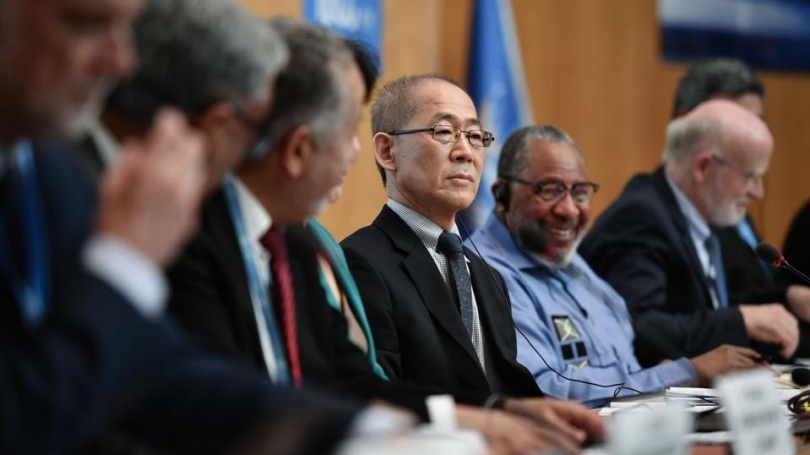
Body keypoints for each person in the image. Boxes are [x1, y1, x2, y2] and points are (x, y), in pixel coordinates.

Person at [166, 21, 586, 455]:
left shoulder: (293, 247)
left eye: (475, 135)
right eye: (349, 129)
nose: (354, 151)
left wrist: (493, 412)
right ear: (297, 148)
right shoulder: (188, 237)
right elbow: (220, 402)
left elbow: (346, 380)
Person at [0, 0, 362, 453]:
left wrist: (359, 435)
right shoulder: (118, 197)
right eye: (85, 23)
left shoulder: (49, 167)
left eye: (126, 29)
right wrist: (124, 262)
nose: (121, 61)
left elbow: (154, 373)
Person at [341, 74, 605, 445]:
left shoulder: (484, 274)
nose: (466, 151)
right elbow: (381, 404)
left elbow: (505, 390)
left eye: (475, 136)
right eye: (444, 132)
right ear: (387, 152)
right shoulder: (361, 262)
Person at [468, 125, 761, 406]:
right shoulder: (483, 272)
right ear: (502, 195)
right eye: (549, 190)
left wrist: (660, 376)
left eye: (580, 192)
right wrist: (686, 373)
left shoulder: (572, 263)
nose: (569, 210)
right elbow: (544, 388)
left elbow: (628, 359)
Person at [580, 99, 799, 367]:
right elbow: (636, 327)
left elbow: (696, 309)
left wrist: (784, 299)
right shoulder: (642, 217)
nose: (758, 192)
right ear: (703, 168)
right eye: (750, 176)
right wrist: (743, 320)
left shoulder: (699, 213)